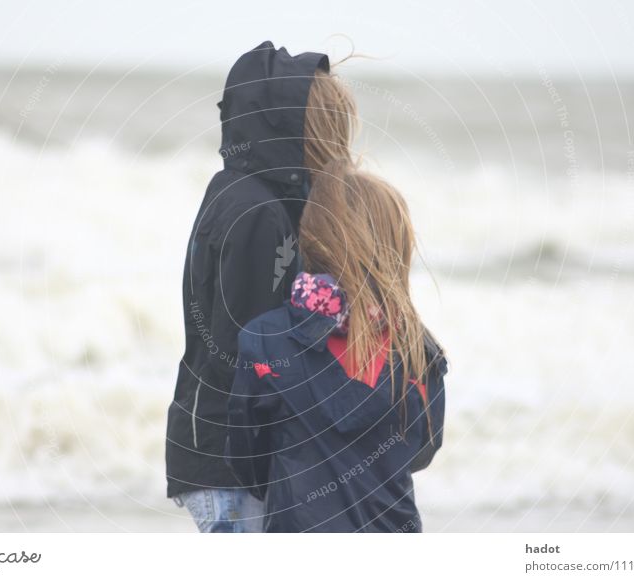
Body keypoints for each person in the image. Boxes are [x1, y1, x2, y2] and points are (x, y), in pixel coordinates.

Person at [165, 41, 357, 532]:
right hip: (229, 462)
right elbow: (251, 352)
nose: (339, 138)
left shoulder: (244, 190)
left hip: (220, 449)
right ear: (288, 124)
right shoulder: (259, 214)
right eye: (328, 122)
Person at [225, 161, 448, 532]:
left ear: (311, 237)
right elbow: (423, 449)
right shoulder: (418, 349)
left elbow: (246, 457)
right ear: (396, 248)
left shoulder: (265, 340)